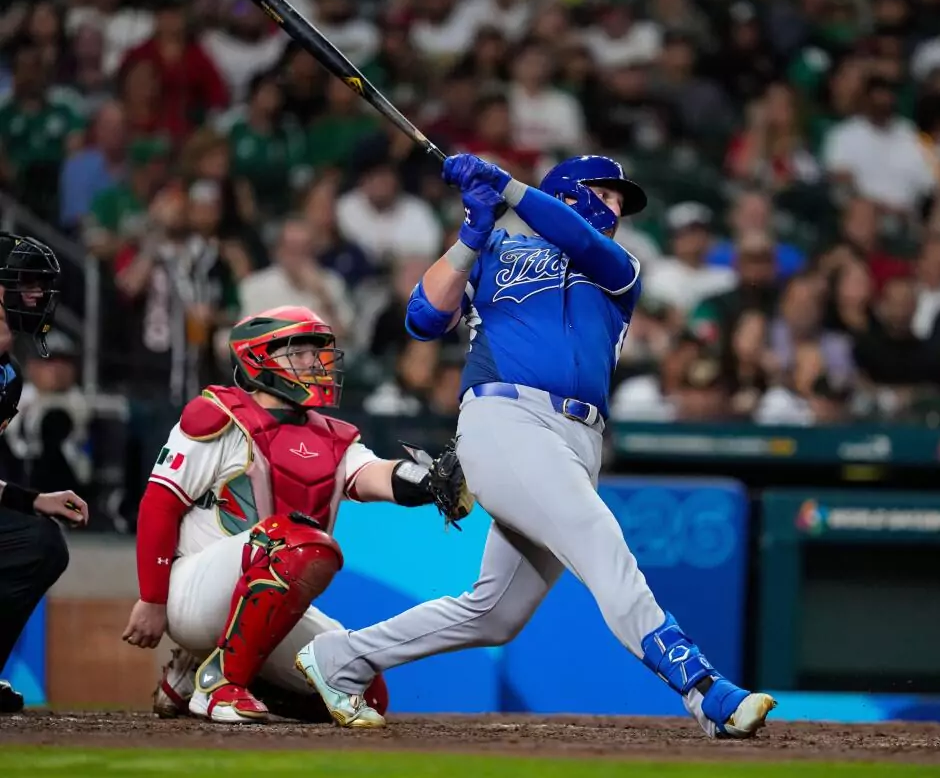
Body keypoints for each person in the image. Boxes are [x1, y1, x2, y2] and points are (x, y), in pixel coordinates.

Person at [294, 154, 777, 738]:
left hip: (578, 439)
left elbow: (575, 236)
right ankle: (703, 690)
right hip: (505, 420)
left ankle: (339, 658)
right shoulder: (496, 249)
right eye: (609, 192)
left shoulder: (619, 264)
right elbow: (422, 318)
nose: (618, 206)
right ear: (571, 191)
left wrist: (510, 186)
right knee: (600, 544)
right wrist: (471, 235)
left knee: (494, 614)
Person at [120, 305, 472, 724]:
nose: (315, 363)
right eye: (300, 352)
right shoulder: (219, 415)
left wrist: (429, 480)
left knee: (358, 687)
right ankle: (220, 686)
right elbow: (160, 503)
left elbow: (378, 475)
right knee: (299, 542)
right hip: (194, 593)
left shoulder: (333, 437)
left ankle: (195, 672)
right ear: (258, 357)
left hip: (259, 601)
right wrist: (152, 599)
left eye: (318, 352)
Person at [0, 234, 89, 714]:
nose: (38, 297)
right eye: (26, 285)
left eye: (40, 286)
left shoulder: (9, 376)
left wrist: (31, 499)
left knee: (40, 542)